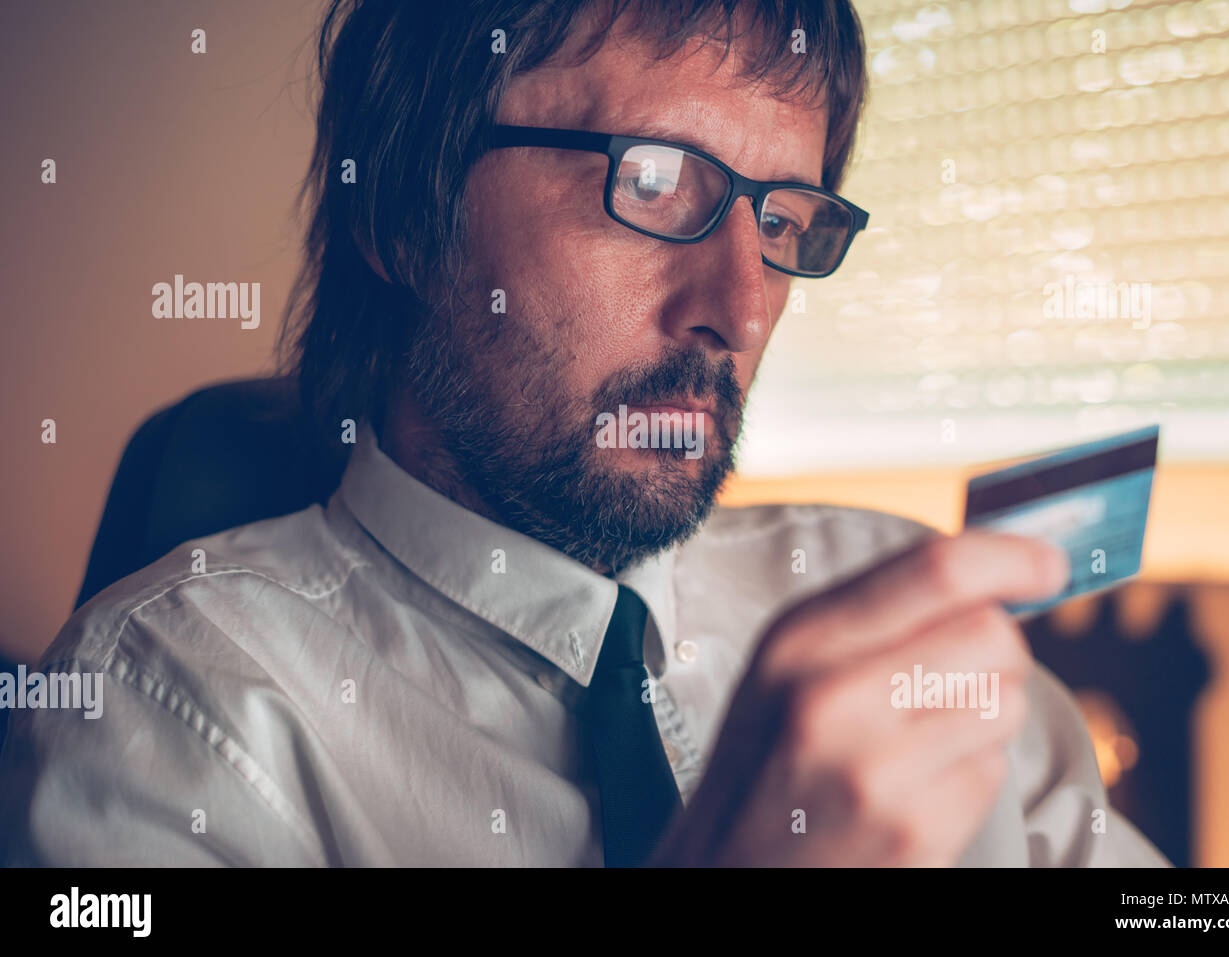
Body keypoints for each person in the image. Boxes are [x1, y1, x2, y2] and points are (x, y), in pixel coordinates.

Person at [0, 0, 1168, 867]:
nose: (741, 306)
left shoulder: (888, 604)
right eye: (653, 182)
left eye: (783, 220)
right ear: (406, 215)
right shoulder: (161, 712)